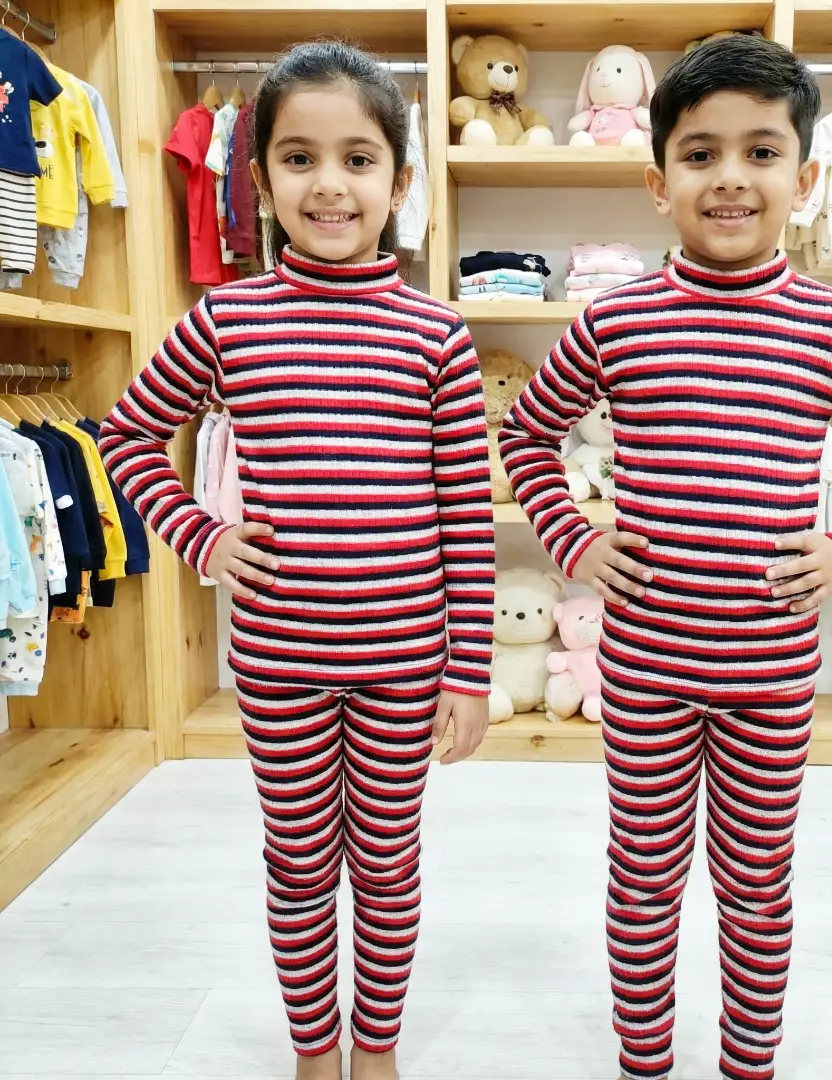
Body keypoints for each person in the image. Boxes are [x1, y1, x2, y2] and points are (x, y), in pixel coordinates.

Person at [500, 35, 832, 1080]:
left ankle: (750, 1062)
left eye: (761, 152)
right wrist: (575, 536)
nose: (731, 178)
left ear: (806, 178)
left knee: (757, 882)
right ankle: (644, 1059)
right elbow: (526, 434)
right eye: (700, 154)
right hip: (647, 667)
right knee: (643, 878)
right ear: (658, 182)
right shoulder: (614, 323)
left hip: (771, 670)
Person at [98, 42, 495, 1080]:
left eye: (359, 159)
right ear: (260, 178)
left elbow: (465, 516)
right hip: (278, 662)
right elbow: (126, 437)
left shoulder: (437, 337)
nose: (330, 185)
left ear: (399, 184)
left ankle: (379, 1047)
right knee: (300, 863)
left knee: (389, 864)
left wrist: (469, 673)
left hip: (405, 662)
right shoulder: (226, 321)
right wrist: (205, 535)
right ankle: (315, 1051)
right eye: (299, 158)